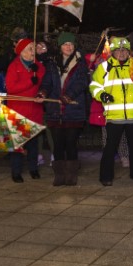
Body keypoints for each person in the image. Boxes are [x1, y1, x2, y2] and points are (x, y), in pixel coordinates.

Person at [90, 37, 133, 186]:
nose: (121, 53)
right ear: (112, 52)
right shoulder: (104, 67)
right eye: (118, 50)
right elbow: (94, 86)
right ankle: (105, 176)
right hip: (114, 116)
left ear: (128, 52)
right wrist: (102, 95)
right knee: (110, 148)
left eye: (124, 50)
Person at [39, 32, 89, 186]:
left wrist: (68, 95)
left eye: (71, 44)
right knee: (58, 143)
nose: (69, 47)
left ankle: (71, 174)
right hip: (55, 109)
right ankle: (59, 174)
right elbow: (47, 81)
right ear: (60, 47)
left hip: (73, 110)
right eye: (66, 44)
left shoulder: (80, 63)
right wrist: (43, 92)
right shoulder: (52, 63)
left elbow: (82, 83)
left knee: (71, 143)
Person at [5, 38, 46, 183]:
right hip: (18, 109)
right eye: (29, 48)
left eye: (33, 48)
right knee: (18, 144)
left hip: (34, 109)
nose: (32, 51)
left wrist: (40, 89)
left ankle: (33, 169)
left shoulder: (38, 65)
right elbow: (11, 88)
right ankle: (16, 172)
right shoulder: (14, 66)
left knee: (33, 143)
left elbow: (43, 82)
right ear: (21, 52)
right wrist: (30, 80)